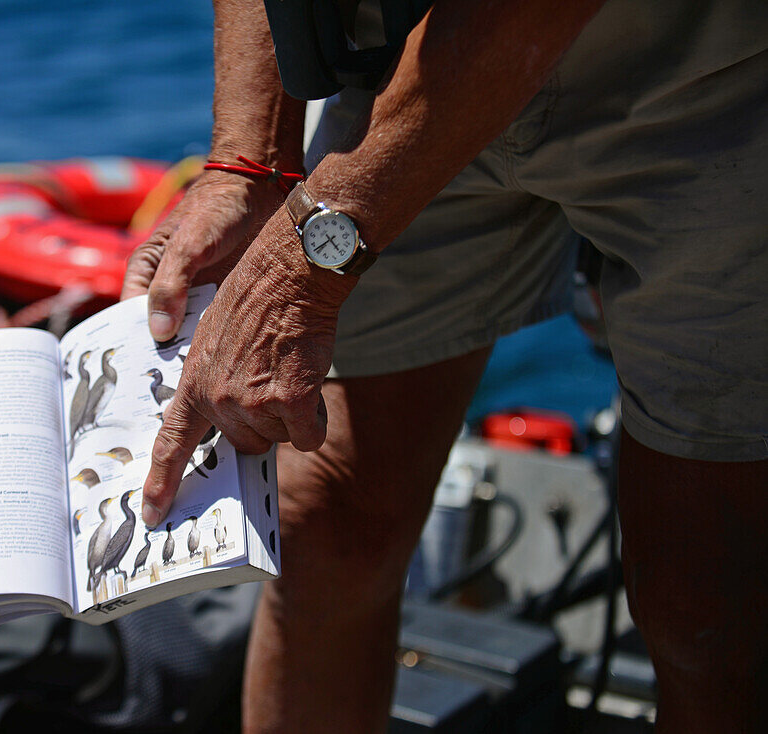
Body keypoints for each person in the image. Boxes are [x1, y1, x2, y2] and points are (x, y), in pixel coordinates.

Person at [122, 1, 768, 731]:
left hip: (694, 67)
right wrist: (246, 160)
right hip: (400, 65)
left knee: (708, 598)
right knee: (322, 521)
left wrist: (303, 261)